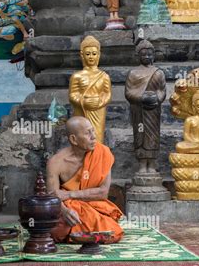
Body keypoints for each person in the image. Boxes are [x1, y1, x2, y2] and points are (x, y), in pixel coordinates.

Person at [46, 116, 124, 243]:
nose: (94, 137)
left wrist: (69, 194)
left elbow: (103, 192)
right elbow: (52, 196)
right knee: (55, 230)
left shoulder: (103, 153)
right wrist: (65, 211)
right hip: (69, 209)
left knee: (112, 230)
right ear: (73, 139)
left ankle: (82, 232)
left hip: (94, 206)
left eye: (93, 131)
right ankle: (88, 233)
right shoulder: (56, 162)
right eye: (88, 133)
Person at [125, 40, 166, 173]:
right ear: (138, 56)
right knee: (140, 135)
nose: (147, 57)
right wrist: (141, 97)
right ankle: (142, 163)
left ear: (153, 55)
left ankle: (152, 163)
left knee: (153, 136)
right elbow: (129, 92)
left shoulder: (158, 73)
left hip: (153, 111)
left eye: (149, 54)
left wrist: (157, 98)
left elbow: (162, 90)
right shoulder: (133, 73)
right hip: (139, 111)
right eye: (144, 54)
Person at [69, 36, 112, 144]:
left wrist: (99, 102)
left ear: (99, 55)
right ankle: (83, 159)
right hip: (82, 110)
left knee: (97, 137)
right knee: (83, 137)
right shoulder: (77, 76)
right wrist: (83, 101)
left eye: (94, 54)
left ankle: (96, 159)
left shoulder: (104, 76)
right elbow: (72, 95)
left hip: (98, 111)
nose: (91, 57)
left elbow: (107, 94)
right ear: (82, 55)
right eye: (88, 54)